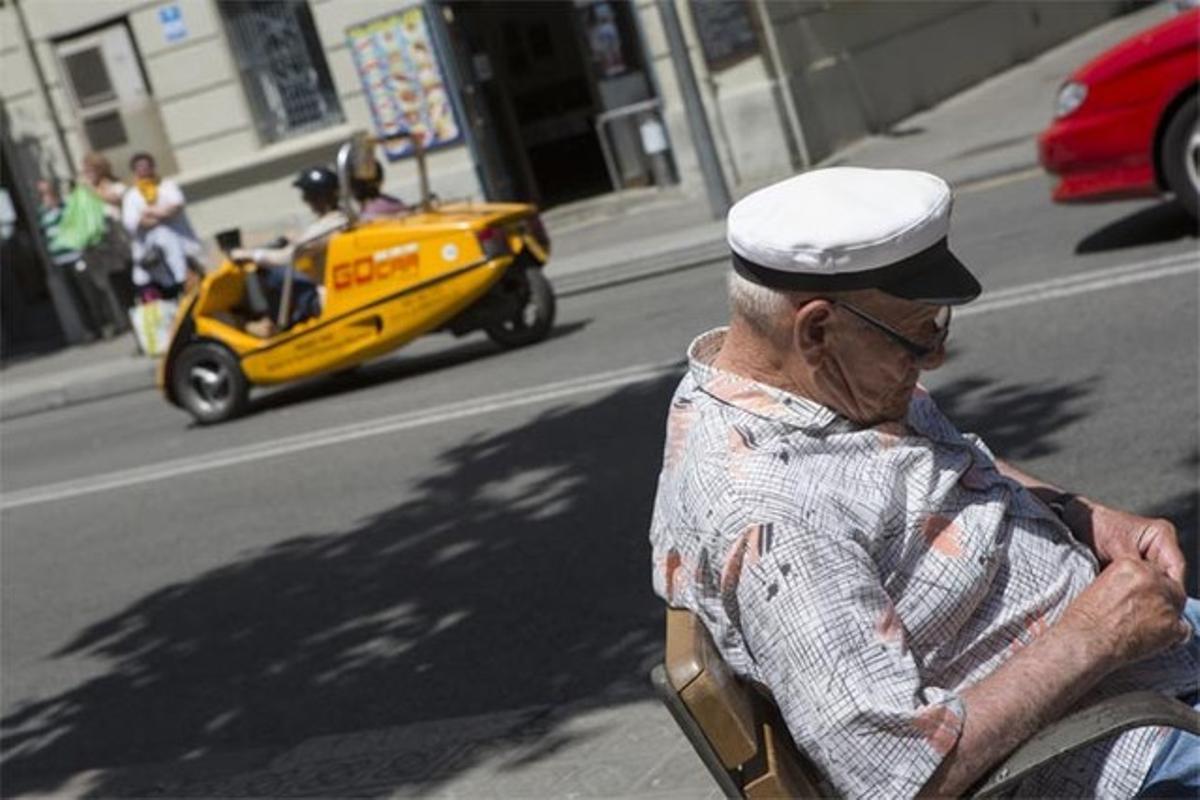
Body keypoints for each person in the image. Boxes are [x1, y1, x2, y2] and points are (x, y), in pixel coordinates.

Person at [649, 167, 1197, 799]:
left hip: (1134, 661)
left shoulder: (807, 382)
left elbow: (937, 462)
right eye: (917, 333)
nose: (934, 355)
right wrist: (1097, 635)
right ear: (817, 330)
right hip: (1107, 744)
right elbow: (901, 778)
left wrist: (1081, 515)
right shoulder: (774, 521)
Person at [230, 166, 347, 337]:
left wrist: (249, 255)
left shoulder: (330, 226)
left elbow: (287, 257)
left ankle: (275, 327)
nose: (305, 200)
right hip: (330, 290)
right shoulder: (339, 218)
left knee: (273, 273)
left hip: (323, 298)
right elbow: (308, 243)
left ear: (319, 196)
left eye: (308, 195)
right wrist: (293, 239)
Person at [121, 151, 203, 298]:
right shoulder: (131, 196)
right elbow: (134, 222)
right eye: (140, 167)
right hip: (154, 257)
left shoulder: (167, 186)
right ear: (134, 171)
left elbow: (176, 207)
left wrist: (149, 212)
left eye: (147, 166)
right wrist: (161, 214)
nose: (144, 170)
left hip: (184, 247)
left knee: (191, 284)